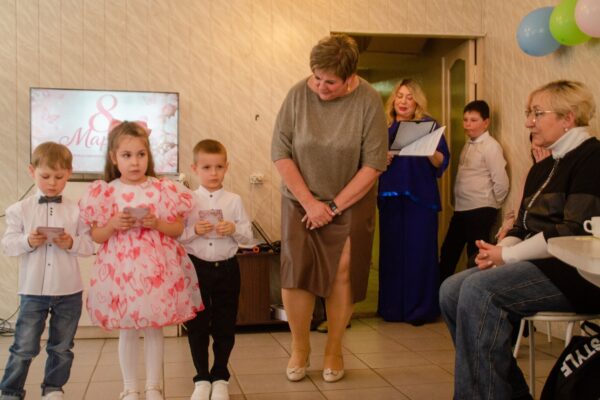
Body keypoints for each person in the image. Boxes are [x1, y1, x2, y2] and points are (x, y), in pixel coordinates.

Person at [439, 80, 600, 399]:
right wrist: (498, 250)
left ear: (568, 118)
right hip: (539, 264)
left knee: (480, 290)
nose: (528, 122)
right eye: (529, 113)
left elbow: (572, 232)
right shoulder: (544, 166)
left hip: (578, 273)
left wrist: (508, 257)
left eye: (537, 113)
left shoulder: (592, 158)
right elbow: (522, 226)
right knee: (451, 291)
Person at [271, 34, 388, 383]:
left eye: (330, 82)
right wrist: (310, 202)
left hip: (350, 200)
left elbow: (374, 163)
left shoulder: (368, 100)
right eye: (317, 77)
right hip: (300, 199)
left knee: (343, 271)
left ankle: (334, 348)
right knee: (296, 272)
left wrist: (333, 206)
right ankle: (300, 347)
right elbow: (280, 151)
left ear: (350, 77)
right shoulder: (297, 94)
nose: (321, 86)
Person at [78, 120, 203, 400]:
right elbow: (97, 235)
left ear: (149, 155)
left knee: (154, 328)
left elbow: (177, 229)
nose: (135, 162)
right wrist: (112, 224)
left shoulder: (162, 189)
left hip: (156, 270)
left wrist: (157, 223)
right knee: (128, 330)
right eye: (127, 155)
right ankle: (130, 387)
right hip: (121, 272)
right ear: (114, 157)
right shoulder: (106, 191)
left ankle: (153, 386)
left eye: (141, 154)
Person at [0, 142, 94, 400]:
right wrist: (27, 241)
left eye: (59, 177)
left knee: (62, 347)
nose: (52, 183)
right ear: (32, 171)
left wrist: (71, 243)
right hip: (32, 291)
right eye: (45, 176)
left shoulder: (77, 211)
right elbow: (7, 246)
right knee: (24, 346)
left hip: (69, 290)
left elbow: (89, 246)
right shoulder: (19, 210)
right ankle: (10, 390)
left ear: (69, 173)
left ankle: (53, 389)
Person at [179, 139, 253, 400]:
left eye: (219, 167)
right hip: (196, 269)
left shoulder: (234, 200)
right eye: (206, 167)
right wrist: (193, 230)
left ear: (227, 167)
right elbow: (175, 236)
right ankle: (201, 378)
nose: (213, 173)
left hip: (227, 269)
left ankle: (220, 376)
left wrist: (234, 229)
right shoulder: (187, 200)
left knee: (225, 324)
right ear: (194, 169)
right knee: (197, 325)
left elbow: (249, 238)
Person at [377, 78, 450, 324]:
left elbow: (441, 162)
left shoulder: (429, 125)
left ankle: (420, 310)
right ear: (393, 99)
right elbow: (368, 162)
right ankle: (392, 309)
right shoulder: (383, 127)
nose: (404, 101)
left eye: (409, 97)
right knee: (392, 254)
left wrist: (428, 149)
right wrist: (382, 159)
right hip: (390, 199)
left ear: (417, 101)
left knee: (420, 253)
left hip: (421, 200)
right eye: (400, 96)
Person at [439, 100, 509, 283]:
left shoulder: (491, 146)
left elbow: (501, 183)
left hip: (480, 211)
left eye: (473, 120)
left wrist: (491, 206)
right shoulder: (468, 144)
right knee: (448, 253)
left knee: (475, 258)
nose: (467, 124)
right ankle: (440, 295)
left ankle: (470, 294)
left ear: (486, 122)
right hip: (461, 210)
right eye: (465, 120)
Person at [495, 137, 551, 241]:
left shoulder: (558, 173)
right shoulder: (530, 172)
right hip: (522, 229)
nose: (536, 148)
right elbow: (519, 209)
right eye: (534, 143)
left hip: (542, 235)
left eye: (542, 145)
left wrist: (543, 167)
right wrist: (509, 223)